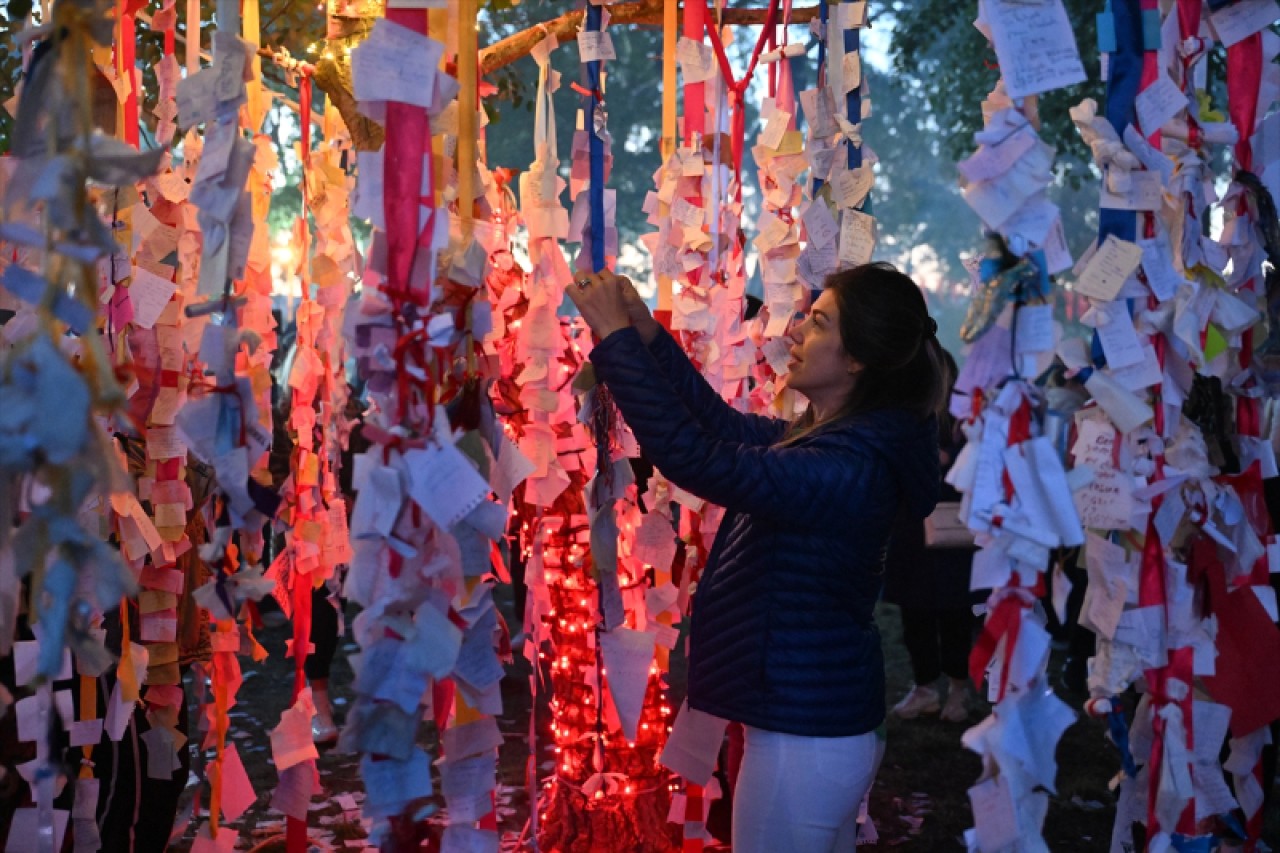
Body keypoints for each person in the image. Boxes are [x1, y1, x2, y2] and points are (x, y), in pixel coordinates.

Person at [567, 262, 946, 853]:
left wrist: (616, 346)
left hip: (806, 740)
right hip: (808, 728)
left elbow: (700, 460)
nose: (795, 333)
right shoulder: (837, 440)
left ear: (857, 360)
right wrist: (645, 337)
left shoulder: (845, 466)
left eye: (818, 323)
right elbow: (720, 428)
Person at [883, 347, 978, 722]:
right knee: (916, 611)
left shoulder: (964, 416)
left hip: (952, 525)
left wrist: (949, 459)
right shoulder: (904, 413)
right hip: (912, 528)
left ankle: (957, 689)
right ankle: (926, 688)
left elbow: (976, 462)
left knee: (954, 612)